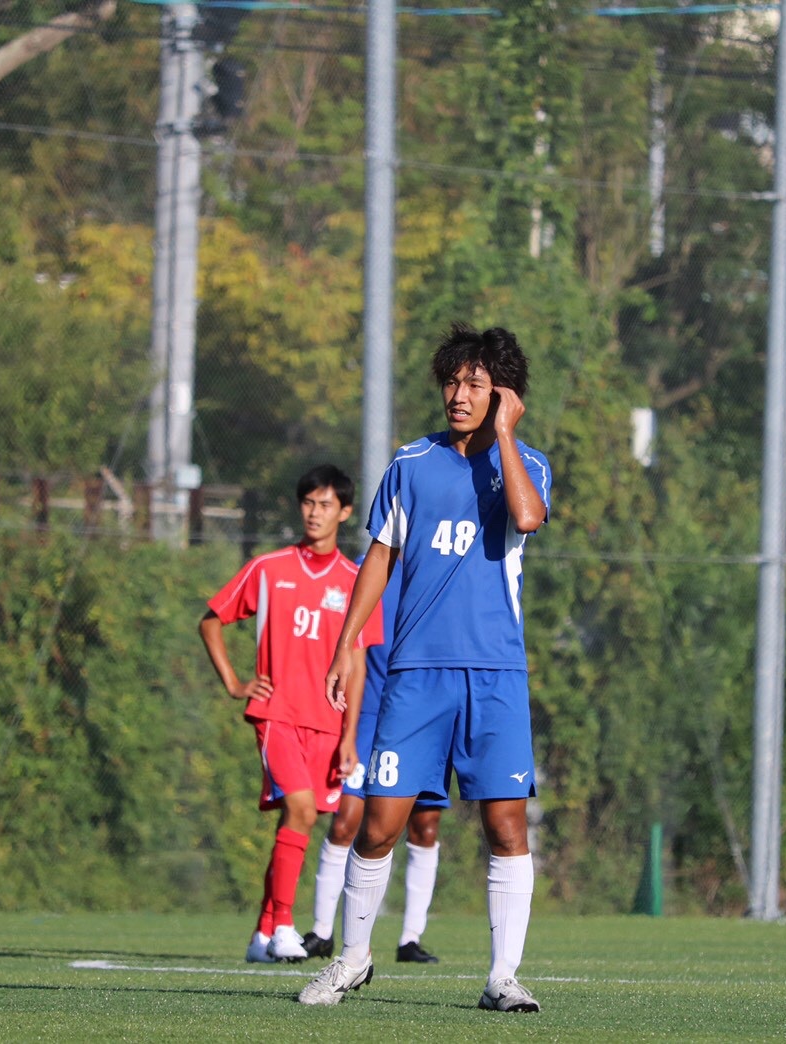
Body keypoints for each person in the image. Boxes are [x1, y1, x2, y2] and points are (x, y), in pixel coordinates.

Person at [298, 324, 551, 1012]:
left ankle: (503, 977)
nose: (458, 394)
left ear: (503, 393)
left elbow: (528, 517)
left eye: (475, 383)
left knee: (506, 828)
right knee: (379, 823)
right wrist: (347, 643)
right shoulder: (410, 463)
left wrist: (505, 436)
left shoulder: (526, 463)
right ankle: (352, 959)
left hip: (495, 676)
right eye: (452, 381)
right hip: (416, 675)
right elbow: (379, 556)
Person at [199, 464, 383, 964]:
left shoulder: (356, 582)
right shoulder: (269, 568)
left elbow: (358, 666)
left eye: (325, 504)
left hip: (326, 723)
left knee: (296, 822)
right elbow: (211, 622)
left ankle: (261, 934)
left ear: (345, 512)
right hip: (276, 714)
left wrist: (349, 736)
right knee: (300, 810)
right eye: (308, 502)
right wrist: (235, 683)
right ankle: (283, 926)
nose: (314, 513)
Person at [302, 558, 446, 965]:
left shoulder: (441, 563)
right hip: (370, 715)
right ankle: (322, 931)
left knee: (425, 825)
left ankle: (410, 939)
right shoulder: (366, 567)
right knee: (346, 821)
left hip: (423, 713)